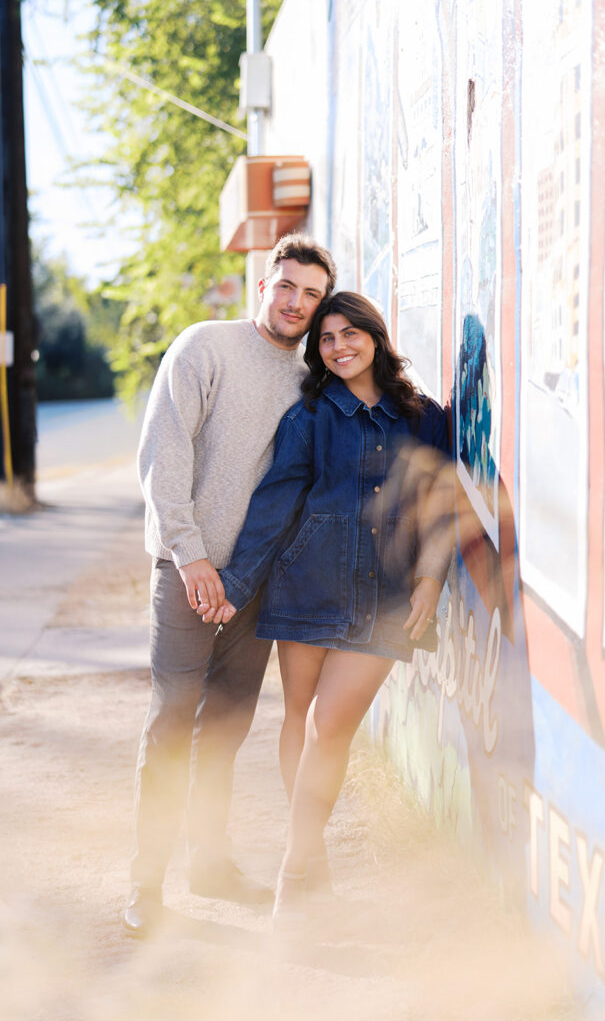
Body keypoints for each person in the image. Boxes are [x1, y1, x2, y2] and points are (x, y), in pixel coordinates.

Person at [197, 291, 452, 931]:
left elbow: (441, 501)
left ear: (374, 335)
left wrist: (429, 578)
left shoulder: (422, 416)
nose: (338, 347)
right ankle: (318, 873)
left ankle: (291, 872)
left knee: (329, 727)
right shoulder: (308, 416)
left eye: (349, 334)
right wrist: (235, 582)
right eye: (327, 338)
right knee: (302, 722)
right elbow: (276, 503)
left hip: (387, 598)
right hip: (306, 585)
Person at [124, 233, 337, 937]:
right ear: (262, 283)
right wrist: (191, 559)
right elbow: (164, 455)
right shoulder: (202, 347)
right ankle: (145, 886)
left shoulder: (311, 378)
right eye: (287, 287)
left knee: (225, 727)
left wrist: (238, 577)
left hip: (250, 585)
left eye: (310, 294)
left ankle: (210, 863)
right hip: (185, 572)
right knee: (171, 719)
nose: (296, 303)